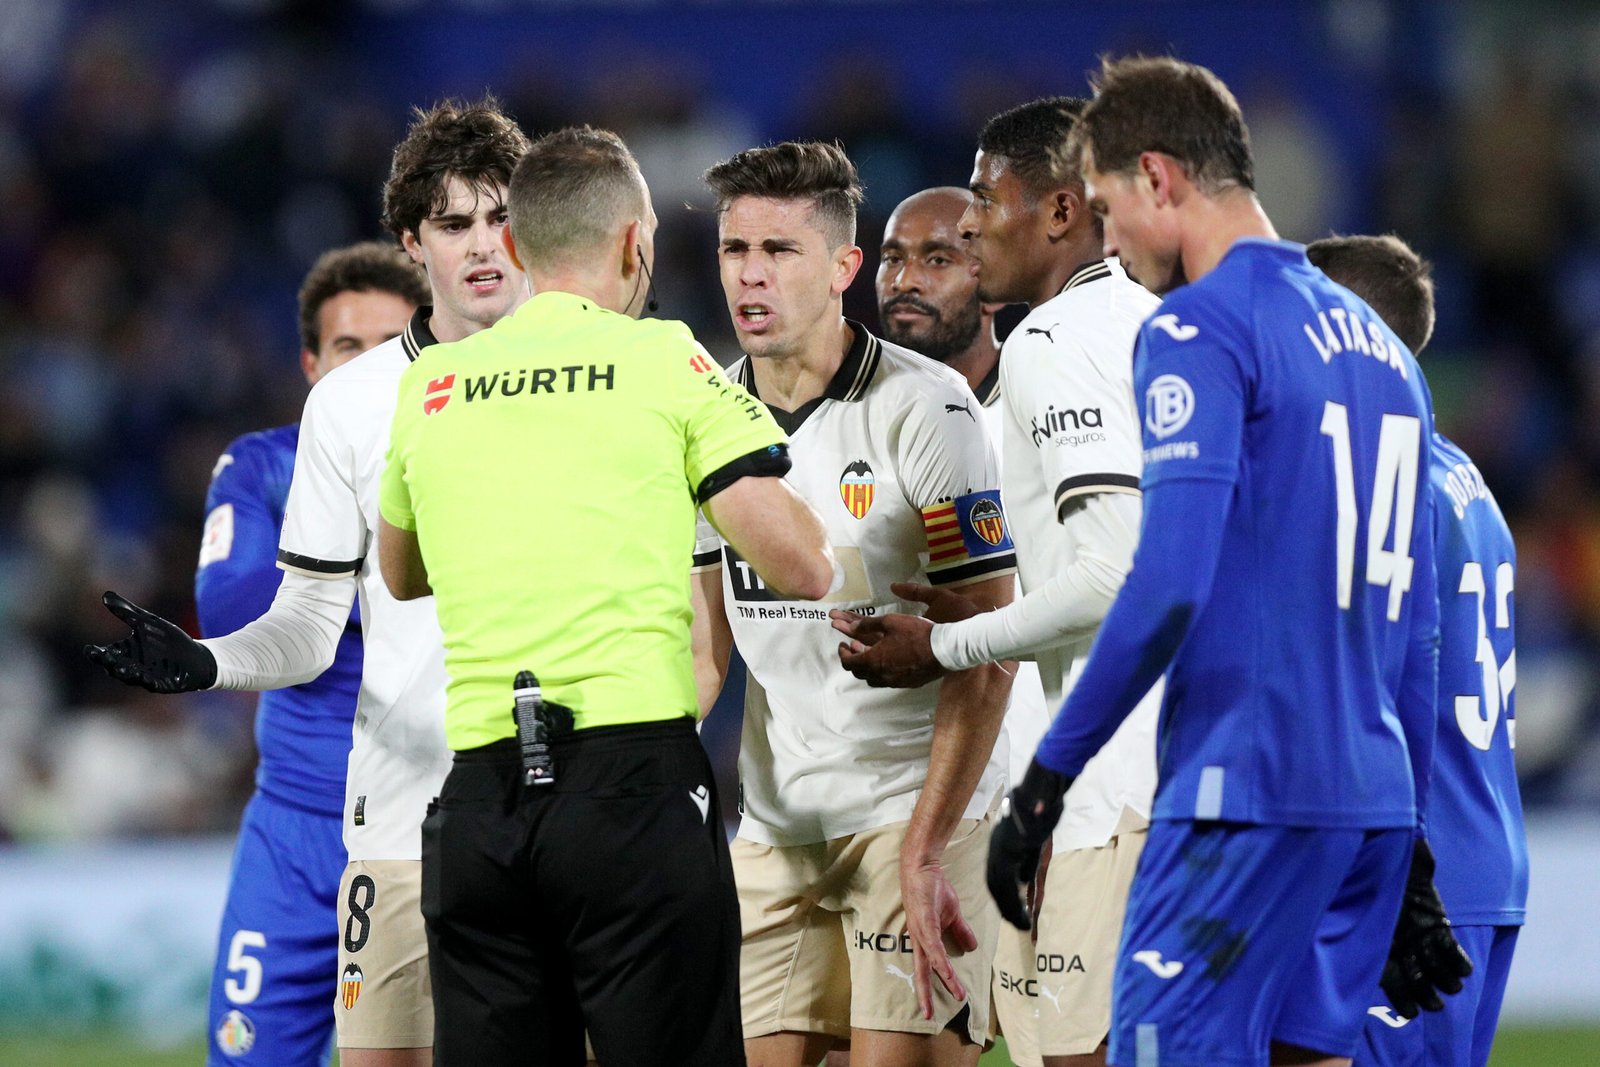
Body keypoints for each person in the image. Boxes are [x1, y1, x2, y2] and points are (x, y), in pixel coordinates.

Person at [983, 57, 1471, 1067]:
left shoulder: (1199, 326)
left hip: (1241, 792)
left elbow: (1162, 585)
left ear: (1157, 179)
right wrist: (1408, 834)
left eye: (1111, 204)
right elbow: (1414, 627)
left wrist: (1045, 780)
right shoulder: (1385, 355)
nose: (1109, 239)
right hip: (1366, 806)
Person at [86, 96, 532, 1067]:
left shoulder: (594, 378)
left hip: (543, 807)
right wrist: (207, 663)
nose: (483, 244)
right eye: (455, 222)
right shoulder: (345, 415)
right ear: (418, 242)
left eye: (501, 216)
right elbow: (300, 620)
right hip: (369, 812)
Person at [377, 125, 833, 1067]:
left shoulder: (431, 383)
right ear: (636, 243)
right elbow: (801, 564)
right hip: (629, 791)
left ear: (512, 245)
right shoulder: (665, 359)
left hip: (481, 801)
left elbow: (401, 573)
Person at [840, 99, 1161, 1067]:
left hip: (1108, 789)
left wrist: (943, 644)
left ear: (1062, 210)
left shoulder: (1052, 344)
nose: (974, 223)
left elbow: (1112, 571)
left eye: (987, 198)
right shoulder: (1166, 324)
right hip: (1204, 771)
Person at [700, 141, 1017, 1067]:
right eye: (734, 250)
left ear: (843, 268)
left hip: (916, 812)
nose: (750, 275)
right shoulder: (704, 422)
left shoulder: (930, 412)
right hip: (777, 825)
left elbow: (987, 642)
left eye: (779, 250)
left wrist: (923, 846)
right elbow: (701, 652)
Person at [195, 241, 425, 1065]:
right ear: (309, 363)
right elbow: (229, 607)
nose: (366, 368)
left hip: (424, 819)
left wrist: (328, 580)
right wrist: (389, 570)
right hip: (293, 829)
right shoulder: (262, 464)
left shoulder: (464, 459)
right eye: (345, 348)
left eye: (386, 347)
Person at [1307, 234, 1526, 1067]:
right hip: (1485, 853)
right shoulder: (1463, 477)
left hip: (1415, 871)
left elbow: (1367, 681)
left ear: (1351, 331)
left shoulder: (1380, 488)